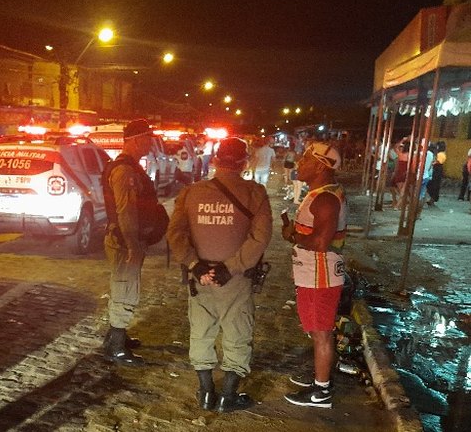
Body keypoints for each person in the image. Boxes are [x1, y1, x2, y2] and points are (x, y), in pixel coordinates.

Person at [166, 137, 272, 412]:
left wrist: (195, 265)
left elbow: (175, 234)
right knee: (237, 332)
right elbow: (260, 238)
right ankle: (227, 396)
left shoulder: (191, 193)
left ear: (214, 161)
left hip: (199, 279)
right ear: (245, 162)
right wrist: (231, 267)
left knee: (201, 332)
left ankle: (205, 393)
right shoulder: (255, 193)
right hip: (235, 279)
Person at [281, 142, 347, 409]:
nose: (299, 164)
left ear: (320, 165)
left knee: (321, 333)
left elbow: (320, 242)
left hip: (321, 275)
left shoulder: (326, 199)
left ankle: (321, 392)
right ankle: (320, 380)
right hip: (313, 273)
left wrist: (292, 236)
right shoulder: (321, 194)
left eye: (306, 159)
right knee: (316, 330)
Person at [101, 119, 167, 366]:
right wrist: (133, 246)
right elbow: (125, 212)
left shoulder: (129, 167)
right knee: (126, 290)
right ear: (135, 140)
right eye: (147, 138)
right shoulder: (125, 171)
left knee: (123, 287)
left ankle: (116, 337)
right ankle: (115, 347)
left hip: (126, 239)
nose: (151, 143)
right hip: (124, 241)